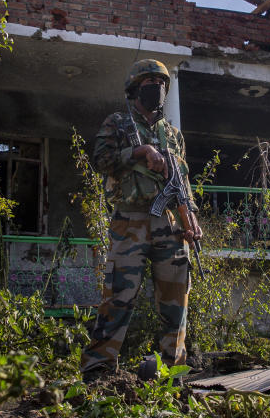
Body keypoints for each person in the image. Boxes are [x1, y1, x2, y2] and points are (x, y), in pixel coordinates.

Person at [80, 59, 202, 379]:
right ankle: (98, 370)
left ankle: (171, 371)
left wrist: (190, 217)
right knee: (118, 297)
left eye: (161, 84)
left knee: (177, 302)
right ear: (135, 89)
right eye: (150, 84)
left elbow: (181, 181)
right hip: (130, 221)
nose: (157, 89)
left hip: (170, 225)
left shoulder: (174, 136)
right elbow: (101, 160)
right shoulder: (118, 124)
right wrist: (140, 152)